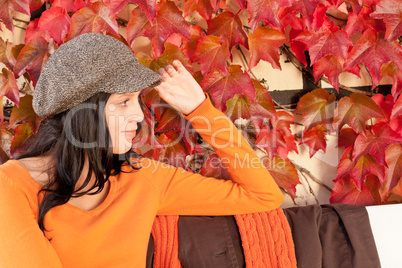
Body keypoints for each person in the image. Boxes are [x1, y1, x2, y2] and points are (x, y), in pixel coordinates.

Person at [0, 33, 284, 267]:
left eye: (138, 101)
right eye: (123, 102)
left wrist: (201, 110)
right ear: (83, 113)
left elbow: (263, 195)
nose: (138, 116)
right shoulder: (11, 185)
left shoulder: (144, 178)